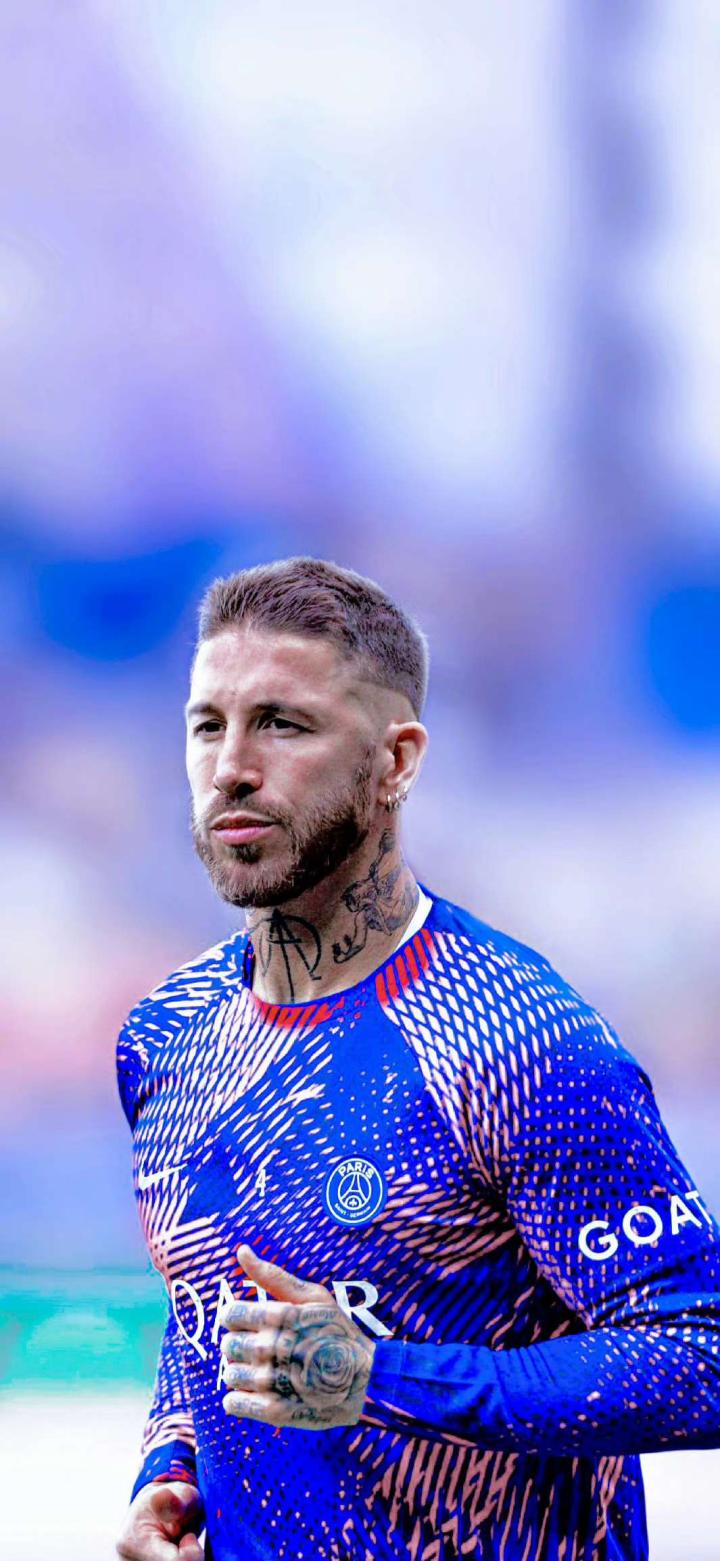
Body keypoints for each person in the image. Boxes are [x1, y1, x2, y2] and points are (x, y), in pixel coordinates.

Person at [115, 557, 720, 1561]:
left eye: (283, 724)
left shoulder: (517, 1044)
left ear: (396, 761)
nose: (231, 767)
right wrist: (168, 1470)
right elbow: (206, 1315)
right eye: (208, 725)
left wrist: (380, 1378)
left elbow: (701, 1354)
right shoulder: (167, 1036)